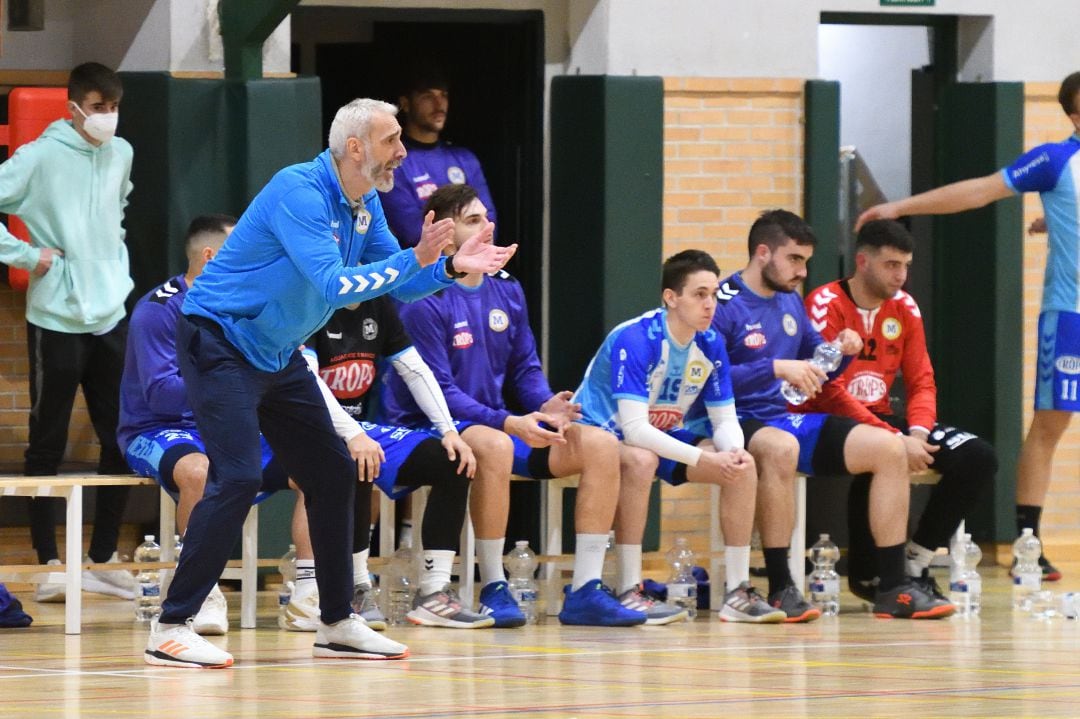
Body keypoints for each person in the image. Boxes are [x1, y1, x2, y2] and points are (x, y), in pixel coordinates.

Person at [142, 98, 515, 669]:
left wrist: (453, 267)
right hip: (219, 341)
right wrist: (421, 255)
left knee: (333, 472)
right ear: (357, 147)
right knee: (237, 477)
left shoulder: (364, 204)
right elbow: (337, 286)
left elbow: (402, 283)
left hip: (275, 350)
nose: (403, 151)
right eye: (392, 139)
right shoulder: (301, 191)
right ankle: (171, 624)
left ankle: (338, 620)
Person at [382, 183, 656, 627]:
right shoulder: (423, 297)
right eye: (474, 221)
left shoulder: (506, 289)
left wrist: (547, 405)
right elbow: (440, 393)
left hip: (494, 420)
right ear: (447, 236)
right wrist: (510, 421)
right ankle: (494, 586)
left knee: (601, 444)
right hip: (431, 424)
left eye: (487, 218)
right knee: (496, 445)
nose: (488, 228)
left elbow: (523, 368)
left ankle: (585, 589)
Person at [856, 72, 1080, 581]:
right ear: (1074, 115)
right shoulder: (1054, 160)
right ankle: (1029, 544)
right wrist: (900, 207)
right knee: (1052, 425)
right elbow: (979, 192)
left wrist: (1056, 220)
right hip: (1071, 314)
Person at [711, 209, 954, 619]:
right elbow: (705, 378)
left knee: (890, 448)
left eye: (806, 261)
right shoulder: (722, 303)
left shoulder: (788, 299)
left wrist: (840, 352)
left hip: (786, 415)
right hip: (733, 416)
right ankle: (781, 586)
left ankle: (892, 585)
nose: (803, 271)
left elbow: (817, 364)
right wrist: (773, 368)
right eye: (795, 260)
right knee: (781, 447)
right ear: (763, 253)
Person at [118, 214, 309, 636]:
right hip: (157, 428)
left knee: (315, 466)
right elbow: (161, 394)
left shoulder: (253, 304)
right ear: (209, 256)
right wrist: (233, 382)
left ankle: (309, 594)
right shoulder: (158, 309)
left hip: (229, 419)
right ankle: (202, 591)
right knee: (199, 472)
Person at [575, 249, 788, 624]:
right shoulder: (637, 337)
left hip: (662, 434)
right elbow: (635, 430)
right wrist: (705, 459)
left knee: (744, 466)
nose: (710, 305)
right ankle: (629, 588)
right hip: (604, 436)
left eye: (713, 295)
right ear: (671, 298)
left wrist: (732, 452)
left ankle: (737, 591)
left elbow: (723, 419)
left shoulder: (709, 343)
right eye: (700, 295)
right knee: (642, 460)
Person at [802, 219, 998, 600]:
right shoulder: (825, 303)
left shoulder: (905, 306)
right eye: (892, 265)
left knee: (978, 456)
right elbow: (828, 390)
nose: (901, 275)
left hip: (881, 415)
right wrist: (894, 437)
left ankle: (916, 561)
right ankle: (872, 574)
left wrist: (917, 433)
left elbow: (922, 380)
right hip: (832, 416)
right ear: (863, 261)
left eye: (906, 265)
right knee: (882, 450)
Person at [0, 62, 136, 604]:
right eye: (99, 107)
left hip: (112, 310)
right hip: (55, 314)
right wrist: (28, 255)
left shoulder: (122, 153)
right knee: (46, 441)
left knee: (120, 437)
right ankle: (48, 562)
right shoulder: (37, 156)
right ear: (74, 107)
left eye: (114, 107)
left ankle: (103, 559)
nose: (108, 117)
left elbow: (117, 209)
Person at [291, 294, 495, 631]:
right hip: (306, 421)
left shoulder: (378, 304)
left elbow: (414, 369)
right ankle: (355, 588)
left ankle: (433, 593)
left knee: (451, 460)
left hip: (358, 427)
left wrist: (449, 430)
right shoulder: (313, 300)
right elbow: (308, 380)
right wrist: (353, 435)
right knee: (354, 457)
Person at [378, 71, 497, 248]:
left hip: (473, 267)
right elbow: (412, 231)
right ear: (406, 103)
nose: (439, 104)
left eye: (443, 96)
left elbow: (489, 221)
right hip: (422, 271)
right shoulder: (393, 162)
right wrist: (457, 247)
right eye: (428, 96)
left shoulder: (465, 158)